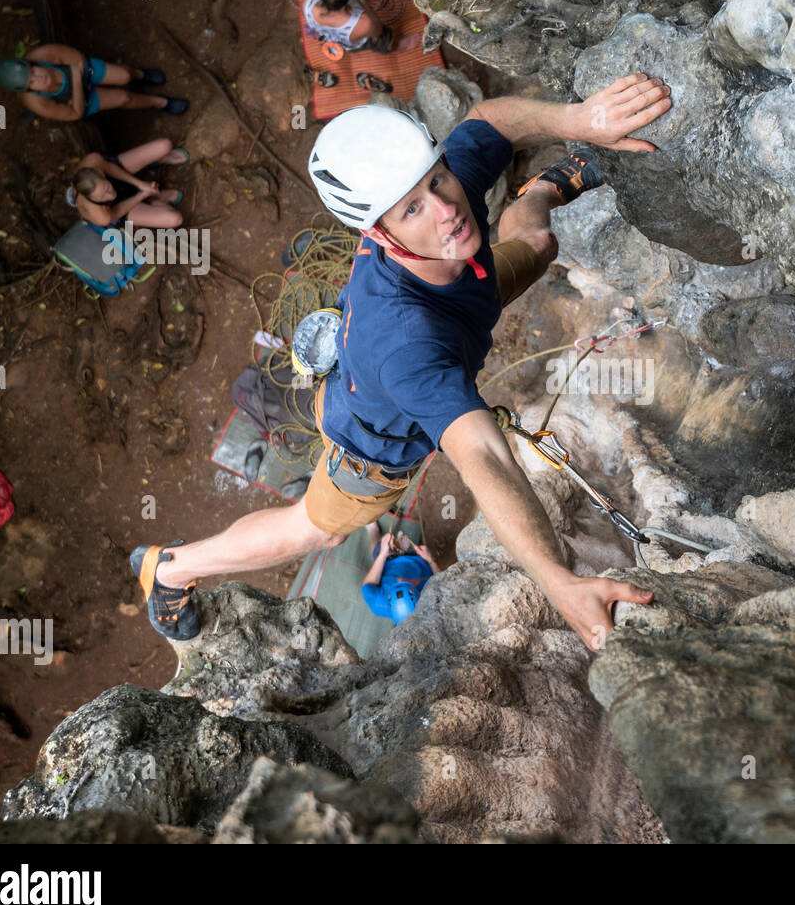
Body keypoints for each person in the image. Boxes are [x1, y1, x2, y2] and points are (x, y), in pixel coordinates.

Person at [131, 72, 674, 650]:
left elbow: (486, 120)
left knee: (537, 247)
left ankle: (538, 189)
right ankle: (169, 569)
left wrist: (579, 120)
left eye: (438, 181)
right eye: (413, 208)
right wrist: (558, 579)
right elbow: (483, 452)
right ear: (380, 234)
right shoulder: (407, 345)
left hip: (457, 307)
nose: (447, 210)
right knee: (313, 530)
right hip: (368, 453)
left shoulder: (433, 197)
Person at [0, 44, 187, 122]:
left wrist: (76, 82)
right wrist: (76, 79)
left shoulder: (41, 55)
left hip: (83, 72)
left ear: (32, 64)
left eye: (34, 71)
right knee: (124, 98)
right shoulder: (36, 102)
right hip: (79, 90)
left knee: (124, 76)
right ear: (29, 89)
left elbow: (78, 59)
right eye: (33, 82)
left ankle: (140, 74)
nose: (39, 78)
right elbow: (75, 114)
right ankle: (161, 102)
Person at [70, 139, 188, 229]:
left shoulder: (93, 161)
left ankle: (153, 162)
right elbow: (118, 210)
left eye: (107, 188)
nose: (110, 195)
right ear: (92, 199)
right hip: (117, 207)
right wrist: (141, 195)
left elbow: (111, 168)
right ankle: (152, 200)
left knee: (164, 145)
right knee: (175, 219)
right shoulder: (100, 216)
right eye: (102, 197)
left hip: (115, 176)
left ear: (100, 175)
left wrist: (140, 184)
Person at [302, 0, 417, 55]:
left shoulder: (307, 3)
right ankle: (395, 47)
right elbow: (378, 30)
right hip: (356, 41)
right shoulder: (362, 23)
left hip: (334, 36)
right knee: (383, 39)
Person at [360, 525, 438, 623]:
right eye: (405, 582)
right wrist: (430, 560)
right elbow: (442, 581)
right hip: (422, 561)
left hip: (390, 562)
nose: (401, 580)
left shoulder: (379, 603)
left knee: (377, 550)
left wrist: (383, 553)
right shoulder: (431, 602)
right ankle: (402, 548)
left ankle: (373, 531)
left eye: (399, 583)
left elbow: (368, 584)